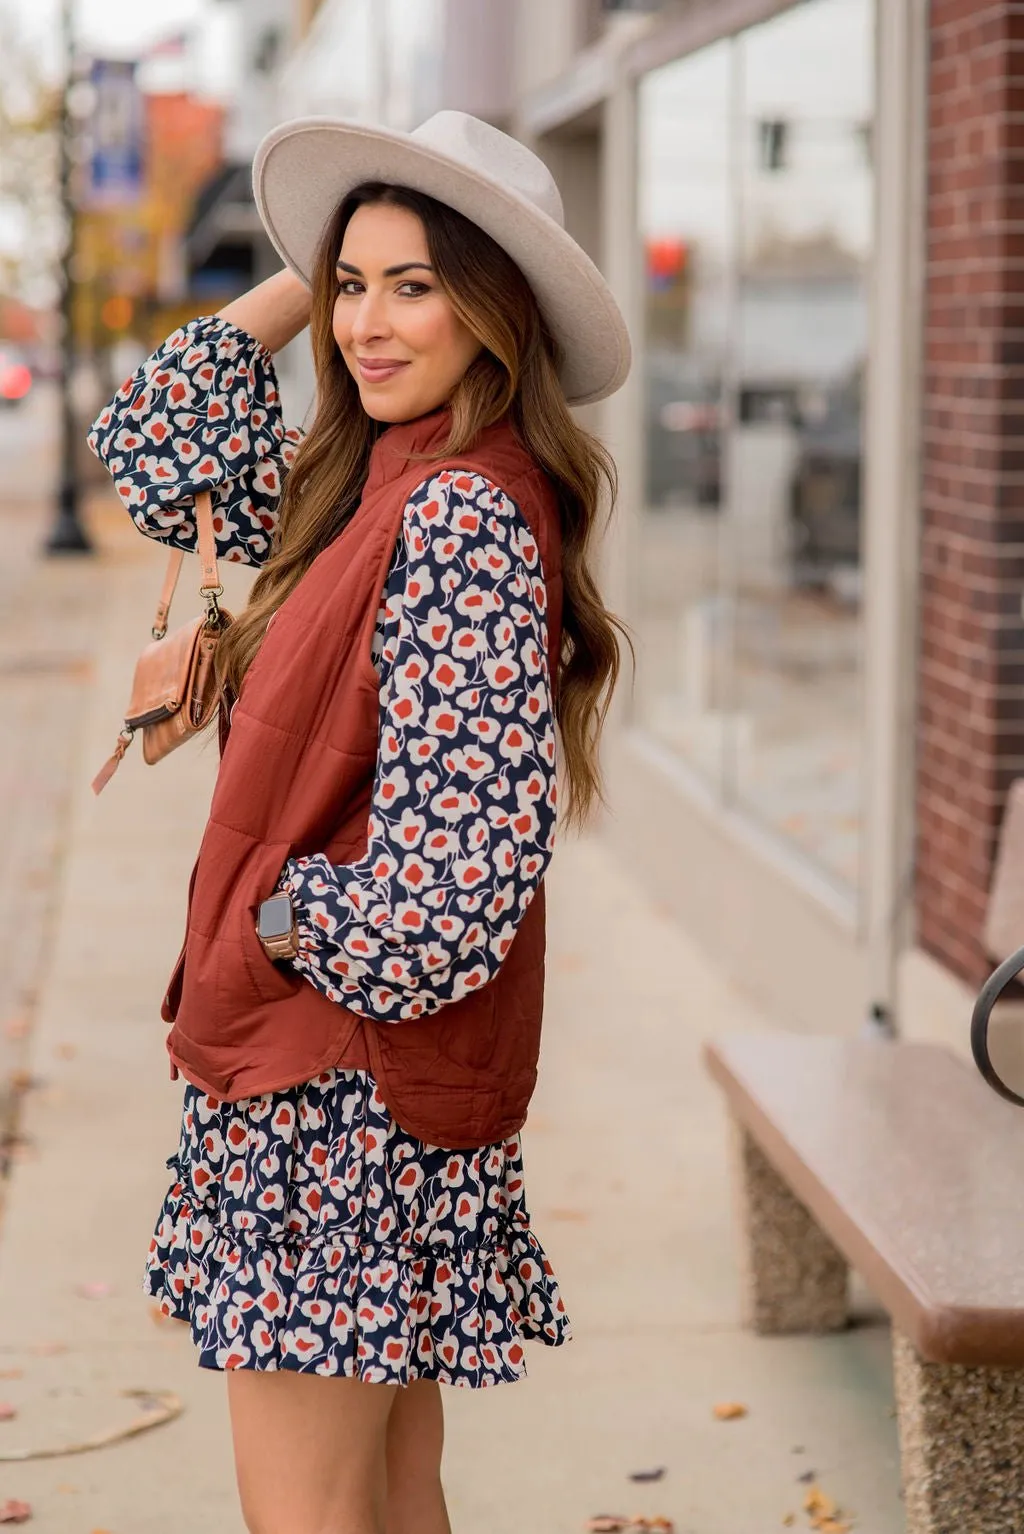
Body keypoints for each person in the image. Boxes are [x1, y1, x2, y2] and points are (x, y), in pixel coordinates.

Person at [88, 110, 631, 1534]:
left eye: (416, 285)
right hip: (339, 1077)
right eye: (351, 284)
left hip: (334, 1096)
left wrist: (283, 925)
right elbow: (152, 436)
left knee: (312, 1511)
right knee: (384, 1498)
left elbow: (466, 869)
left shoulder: (454, 513)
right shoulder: (370, 472)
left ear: (495, 309)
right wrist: (296, 271)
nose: (368, 325)